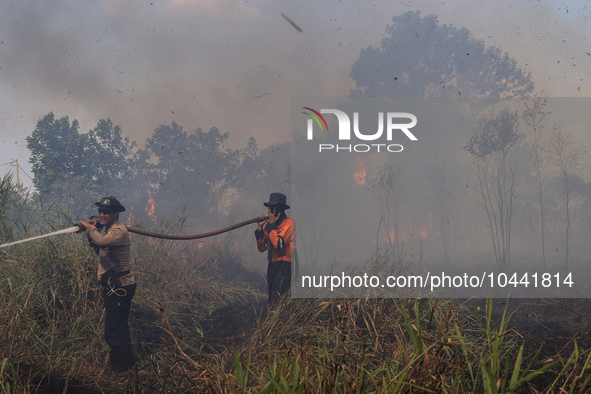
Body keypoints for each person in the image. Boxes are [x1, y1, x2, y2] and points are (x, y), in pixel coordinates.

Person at [77, 196, 136, 374]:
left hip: (119, 285)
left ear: (116, 213)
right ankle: (128, 369)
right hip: (115, 285)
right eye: (100, 211)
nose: (102, 214)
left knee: (113, 333)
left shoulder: (119, 231)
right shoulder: (109, 231)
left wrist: (89, 228)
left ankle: (122, 372)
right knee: (120, 329)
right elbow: (102, 249)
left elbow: (102, 242)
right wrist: (93, 237)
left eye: (106, 211)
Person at [255, 192, 296, 309]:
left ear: (280, 209)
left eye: (273, 208)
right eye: (270, 207)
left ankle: (278, 323)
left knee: (278, 297)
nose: (270, 210)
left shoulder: (289, 223)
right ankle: (273, 322)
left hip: (284, 264)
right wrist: (260, 227)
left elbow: (279, 244)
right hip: (272, 264)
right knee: (272, 296)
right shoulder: (269, 225)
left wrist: (272, 225)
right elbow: (261, 248)